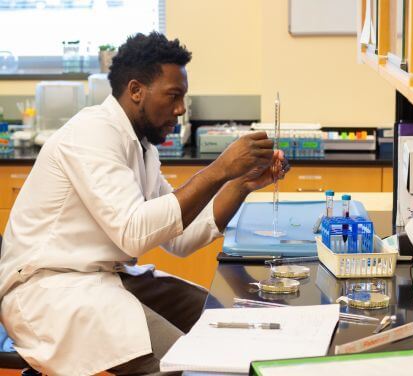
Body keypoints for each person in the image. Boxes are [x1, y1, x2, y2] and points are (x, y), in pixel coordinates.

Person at [0, 32, 288, 375]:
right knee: (182, 363)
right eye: (173, 96)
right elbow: (133, 233)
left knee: (218, 315)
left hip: (99, 279)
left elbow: (181, 237)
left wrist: (241, 184)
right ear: (136, 90)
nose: (180, 109)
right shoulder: (92, 134)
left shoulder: (141, 147)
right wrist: (218, 170)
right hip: (49, 293)